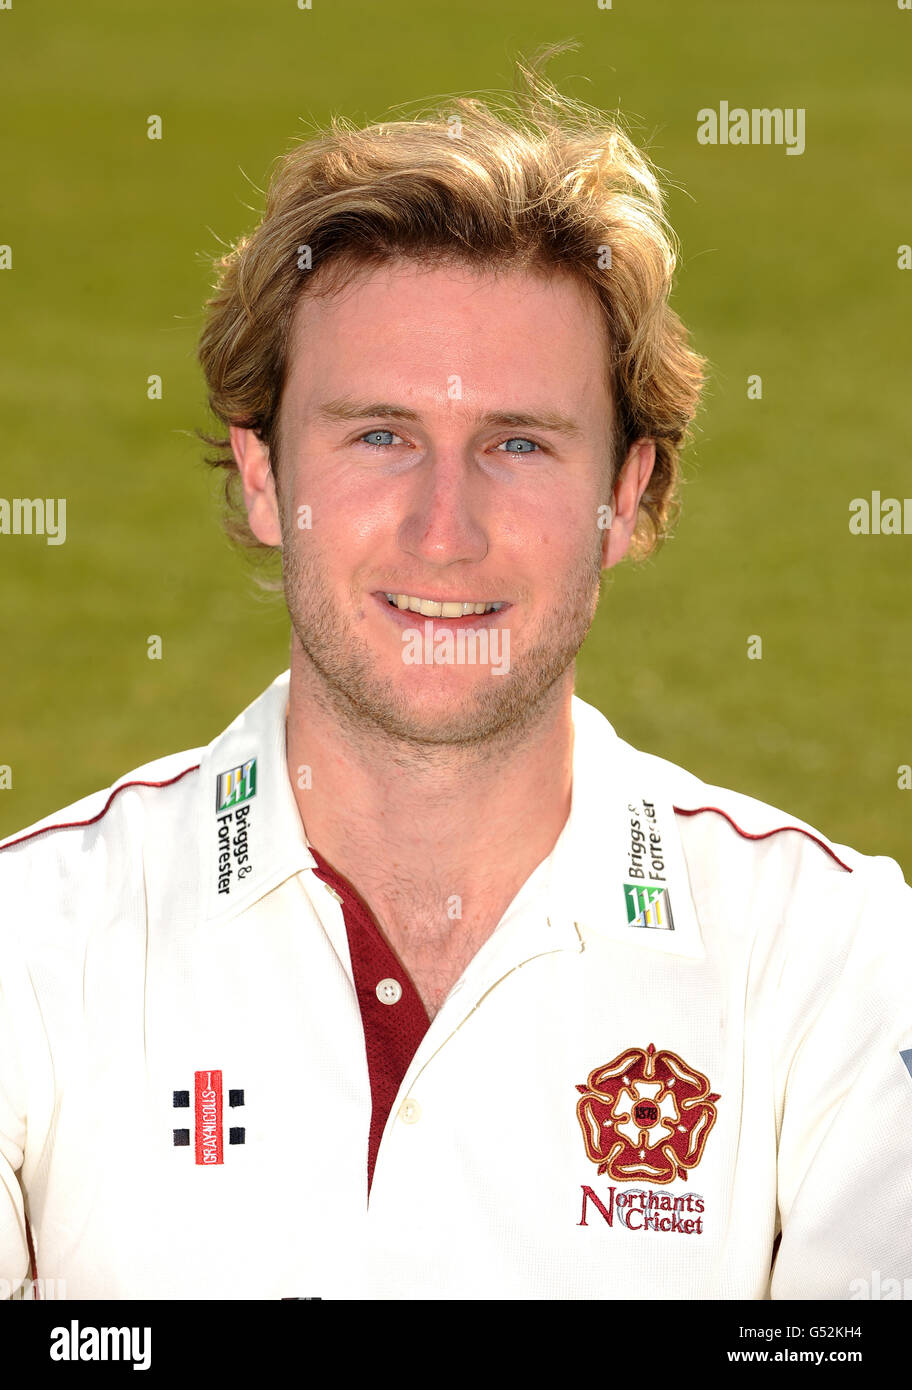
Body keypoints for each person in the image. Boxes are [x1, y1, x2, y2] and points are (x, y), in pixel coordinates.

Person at [1, 52, 909, 1302]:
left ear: (623, 498)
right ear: (264, 478)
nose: (446, 530)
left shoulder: (838, 964)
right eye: (379, 435)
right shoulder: (28, 951)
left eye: (518, 444)